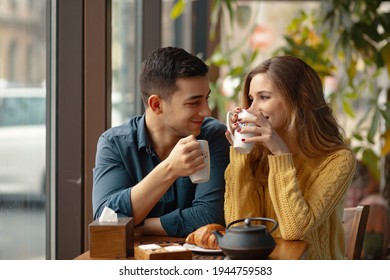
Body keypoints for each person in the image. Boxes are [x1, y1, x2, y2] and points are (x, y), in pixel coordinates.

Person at [224, 55, 356, 259]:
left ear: (298, 99)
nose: (251, 109)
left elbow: (295, 230)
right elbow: (239, 229)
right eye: (251, 99)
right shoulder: (256, 156)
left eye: (264, 97)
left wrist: (280, 154)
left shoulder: (338, 160)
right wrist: (241, 155)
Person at [92, 46, 230, 237]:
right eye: (194, 102)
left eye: (206, 99)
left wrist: (141, 226)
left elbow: (209, 217)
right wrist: (170, 169)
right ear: (156, 105)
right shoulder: (115, 143)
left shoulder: (213, 136)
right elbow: (106, 221)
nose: (207, 111)